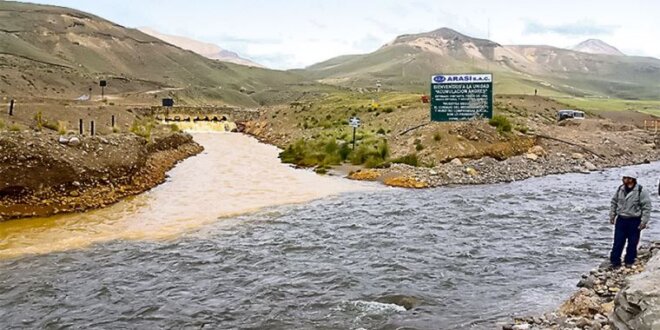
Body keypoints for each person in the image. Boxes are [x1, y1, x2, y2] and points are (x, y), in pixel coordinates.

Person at [609, 170, 652, 268]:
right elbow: (614, 202)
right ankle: (615, 262)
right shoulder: (620, 189)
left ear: (632, 179)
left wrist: (644, 221)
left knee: (633, 242)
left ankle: (629, 261)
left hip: (634, 220)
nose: (624, 180)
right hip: (621, 220)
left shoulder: (641, 191)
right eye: (623, 178)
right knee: (618, 242)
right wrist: (612, 215)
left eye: (626, 178)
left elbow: (646, 207)